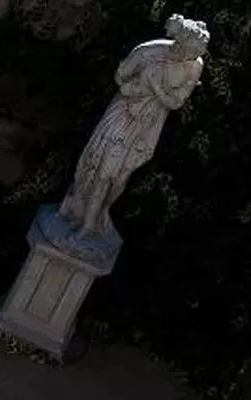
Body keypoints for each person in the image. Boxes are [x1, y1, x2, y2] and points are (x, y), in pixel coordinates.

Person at [58, 16, 211, 243]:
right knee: (102, 167)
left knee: (121, 177)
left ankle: (97, 211)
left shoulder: (195, 65)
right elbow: (121, 77)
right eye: (188, 52)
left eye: (195, 54)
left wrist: (155, 87)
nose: (191, 58)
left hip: (149, 124)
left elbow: (176, 103)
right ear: (179, 43)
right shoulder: (148, 52)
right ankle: (87, 222)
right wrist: (139, 87)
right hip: (124, 114)